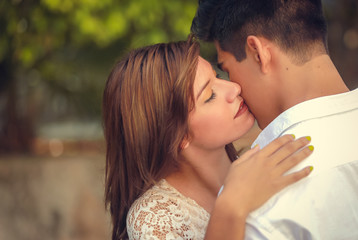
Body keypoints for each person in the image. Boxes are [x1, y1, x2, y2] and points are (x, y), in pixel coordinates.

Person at [102, 38, 314, 240]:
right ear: (178, 136)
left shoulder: (263, 159)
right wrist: (230, 207)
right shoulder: (155, 218)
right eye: (210, 95)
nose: (234, 88)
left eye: (218, 77)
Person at [191, 0, 358, 239]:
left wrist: (229, 211)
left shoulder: (256, 202)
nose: (234, 88)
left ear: (258, 53)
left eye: (227, 70)